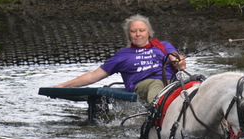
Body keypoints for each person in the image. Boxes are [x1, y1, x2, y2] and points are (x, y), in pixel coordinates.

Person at [54, 15, 186, 104]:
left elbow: (178, 60)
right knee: (156, 84)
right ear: (129, 35)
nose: (138, 34)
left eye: (141, 30)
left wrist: (179, 61)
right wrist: (62, 86)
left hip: (171, 81)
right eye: (134, 31)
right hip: (145, 85)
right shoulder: (122, 55)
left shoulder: (163, 45)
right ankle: (157, 113)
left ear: (149, 33)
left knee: (196, 83)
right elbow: (93, 76)